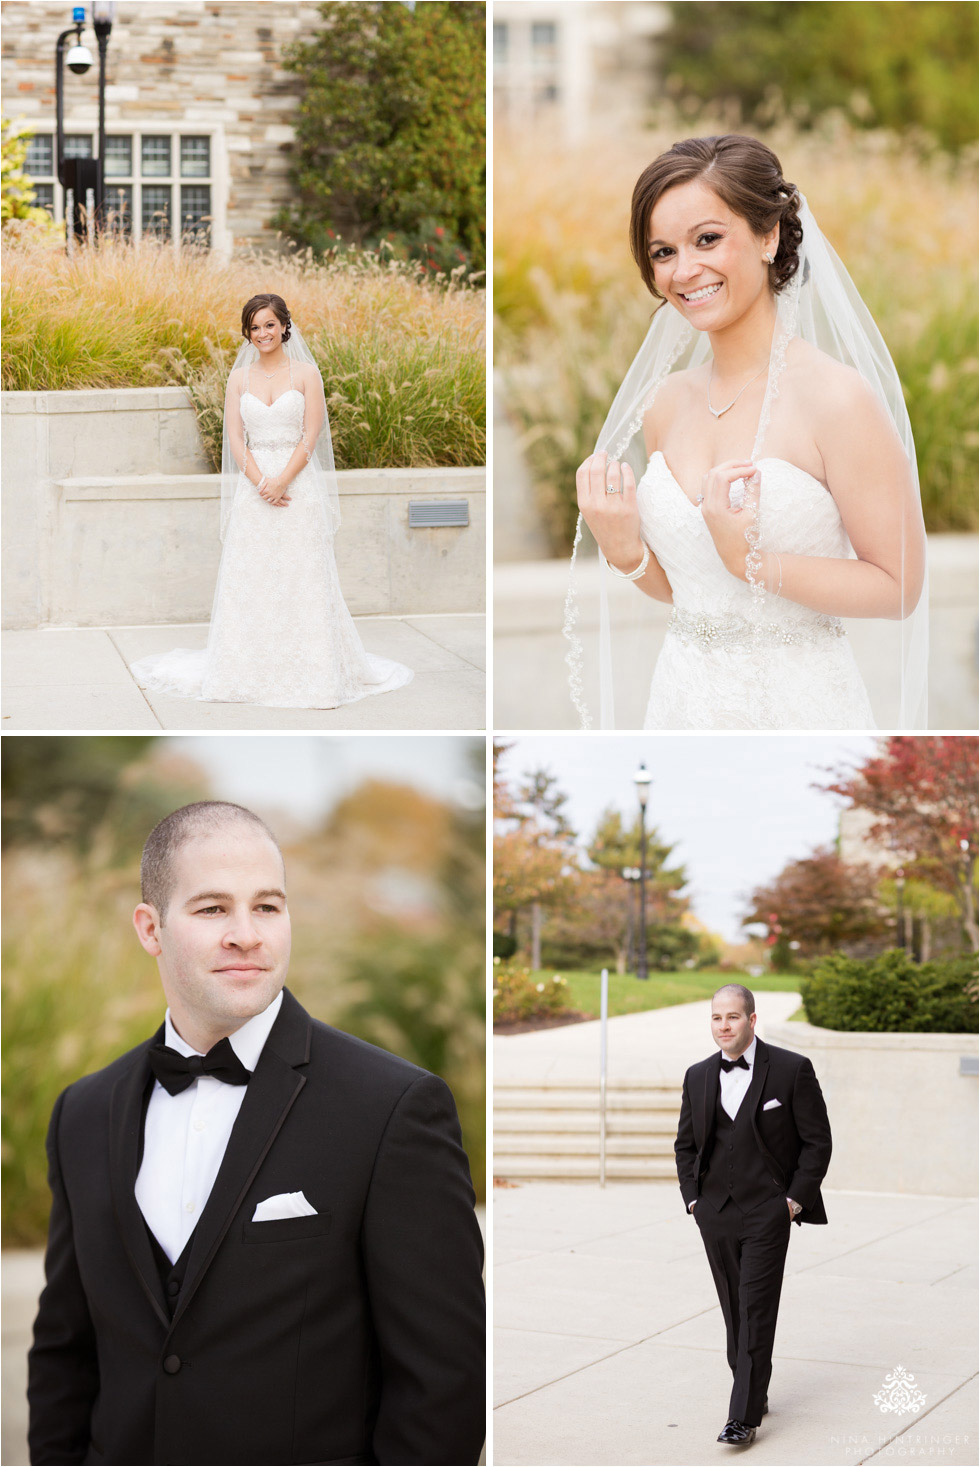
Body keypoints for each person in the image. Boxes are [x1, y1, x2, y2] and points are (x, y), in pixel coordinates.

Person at [27, 801, 484, 1466]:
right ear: (150, 928)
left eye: (267, 906)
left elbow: (441, 1381)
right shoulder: (83, 1112)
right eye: (213, 908)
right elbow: (65, 1352)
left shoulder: (393, 1107)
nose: (247, 933)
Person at [565, 134, 928, 730]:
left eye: (707, 239)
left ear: (770, 235)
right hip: (681, 700)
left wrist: (755, 562)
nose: (684, 271)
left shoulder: (836, 399)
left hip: (798, 707)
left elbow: (899, 589)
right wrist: (624, 547)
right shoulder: (666, 403)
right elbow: (692, 595)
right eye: (662, 252)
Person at [131, 294, 413, 709]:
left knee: (302, 575)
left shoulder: (305, 374)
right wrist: (262, 481)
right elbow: (234, 438)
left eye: (269, 324)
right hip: (254, 487)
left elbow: (311, 436)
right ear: (247, 333)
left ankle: (312, 672)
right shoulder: (239, 379)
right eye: (254, 327)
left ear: (284, 326)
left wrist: (282, 481)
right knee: (253, 575)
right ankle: (244, 669)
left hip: (298, 488)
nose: (262, 333)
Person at [675, 983, 832, 1445]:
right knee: (733, 1309)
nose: (724, 1026)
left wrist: (793, 1201)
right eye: (716, 1018)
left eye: (733, 1017)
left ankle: (742, 1416)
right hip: (715, 1212)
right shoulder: (697, 1075)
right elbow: (686, 1145)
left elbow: (817, 1142)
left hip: (768, 1210)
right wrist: (693, 1200)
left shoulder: (791, 1070)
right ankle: (754, 1387)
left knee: (756, 1308)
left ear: (753, 1020)